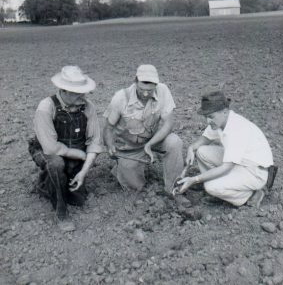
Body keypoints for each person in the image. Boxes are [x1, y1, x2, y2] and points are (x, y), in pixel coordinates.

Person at [29, 66, 102, 225]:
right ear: (63, 90)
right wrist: (77, 154)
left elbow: (94, 142)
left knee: (79, 199)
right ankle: (60, 210)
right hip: (47, 150)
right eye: (77, 93)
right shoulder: (46, 107)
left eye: (83, 92)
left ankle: (45, 184)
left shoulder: (88, 107)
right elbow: (50, 147)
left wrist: (83, 171)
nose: (82, 96)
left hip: (76, 149)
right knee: (56, 163)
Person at [177, 91, 274, 207]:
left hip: (255, 172)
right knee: (201, 151)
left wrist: (195, 179)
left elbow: (226, 168)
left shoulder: (236, 129)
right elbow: (205, 139)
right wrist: (191, 148)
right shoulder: (220, 121)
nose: (208, 121)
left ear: (224, 112)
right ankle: (222, 185)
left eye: (211, 117)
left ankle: (251, 195)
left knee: (210, 186)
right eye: (206, 117)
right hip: (241, 163)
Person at [103, 64, 183, 194]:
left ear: (156, 85)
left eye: (150, 90)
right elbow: (108, 127)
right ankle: (122, 166)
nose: (146, 94)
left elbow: (168, 124)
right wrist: (110, 145)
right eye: (141, 89)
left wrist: (150, 145)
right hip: (128, 147)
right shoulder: (120, 98)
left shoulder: (163, 90)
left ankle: (174, 188)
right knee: (134, 187)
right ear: (135, 81)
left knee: (174, 142)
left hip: (151, 139)